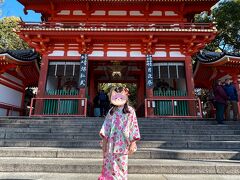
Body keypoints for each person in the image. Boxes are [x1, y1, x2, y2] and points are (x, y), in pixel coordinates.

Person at [98, 87, 140, 180]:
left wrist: (133, 142)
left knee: (122, 166)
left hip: (123, 143)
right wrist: (104, 142)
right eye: (115, 97)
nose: (118, 99)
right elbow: (106, 126)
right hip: (111, 143)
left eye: (121, 97)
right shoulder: (111, 111)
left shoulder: (130, 111)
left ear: (126, 97)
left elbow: (134, 126)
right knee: (110, 166)